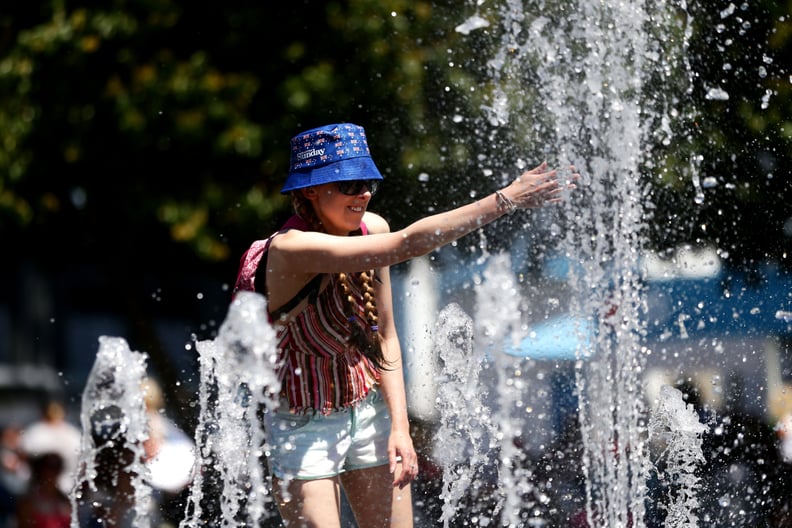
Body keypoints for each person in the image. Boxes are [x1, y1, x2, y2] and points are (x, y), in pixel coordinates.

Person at [233, 122, 576, 527]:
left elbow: (386, 338)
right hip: (302, 423)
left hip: (369, 410)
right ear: (310, 190)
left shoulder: (371, 228)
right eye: (349, 184)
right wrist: (505, 199)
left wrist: (400, 427)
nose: (361, 194)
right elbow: (408, 243)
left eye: (367, 184)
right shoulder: (292, 249)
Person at [19, 399, 81, 497]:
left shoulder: (72, 433)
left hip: (68, 484)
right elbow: (26, 455)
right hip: (39, 485)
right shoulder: (35, 431)